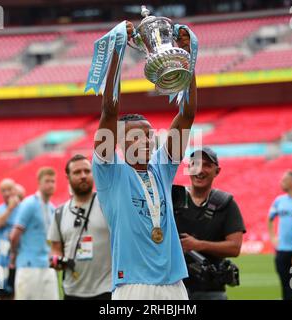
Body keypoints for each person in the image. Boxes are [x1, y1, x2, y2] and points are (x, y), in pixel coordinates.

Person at [92, 22, 196, 300]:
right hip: (132, 285)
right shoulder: (109, 172)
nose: (148, 140)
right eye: (138, 136)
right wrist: (117, 50)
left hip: (174, 283)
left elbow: (186, 117)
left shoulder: (161, 169)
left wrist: (188, 61)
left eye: (150, 135)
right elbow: (109, 109)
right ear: (120, 142)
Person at [172, 147, 245, 300]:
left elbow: (235, 248)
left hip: (211, 291)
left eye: (207, 165)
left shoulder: (226, 204)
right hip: (173, 289)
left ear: (217, 171)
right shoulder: (173, 199)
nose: (200, 170)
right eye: (195, 164)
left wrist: (197, 245)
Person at [49, 154, 112, 300]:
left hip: (106, 289)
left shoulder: (107, 205)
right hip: (72, 291)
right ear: (68, 177)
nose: (83, 176)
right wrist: (56, 260)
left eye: (87, 171)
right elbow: (55, 249)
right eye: (77, 172)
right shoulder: (59, 212)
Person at [9, 167, 59, 300]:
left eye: (53, 181)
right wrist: (14, 255)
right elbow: (14, 235)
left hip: (48, 266)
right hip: (29, 266)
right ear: (39, 182)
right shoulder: (29, 204)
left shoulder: (52, 208)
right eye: (47, 181)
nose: (50, 185)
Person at [268, 171, 292, 300]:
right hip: (282, 251)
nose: (281, 182)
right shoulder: (279, 200)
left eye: (284, 180)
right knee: (286, 288)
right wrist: (273, 237)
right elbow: (270, 219)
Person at [0, 178, 21, 300]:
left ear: (15, 190)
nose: (7, 193)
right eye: (3, 190)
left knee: (18, 293)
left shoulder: (24, 209)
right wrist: (10, 209)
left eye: (9, 189)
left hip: (18, 260)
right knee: (0, 295)